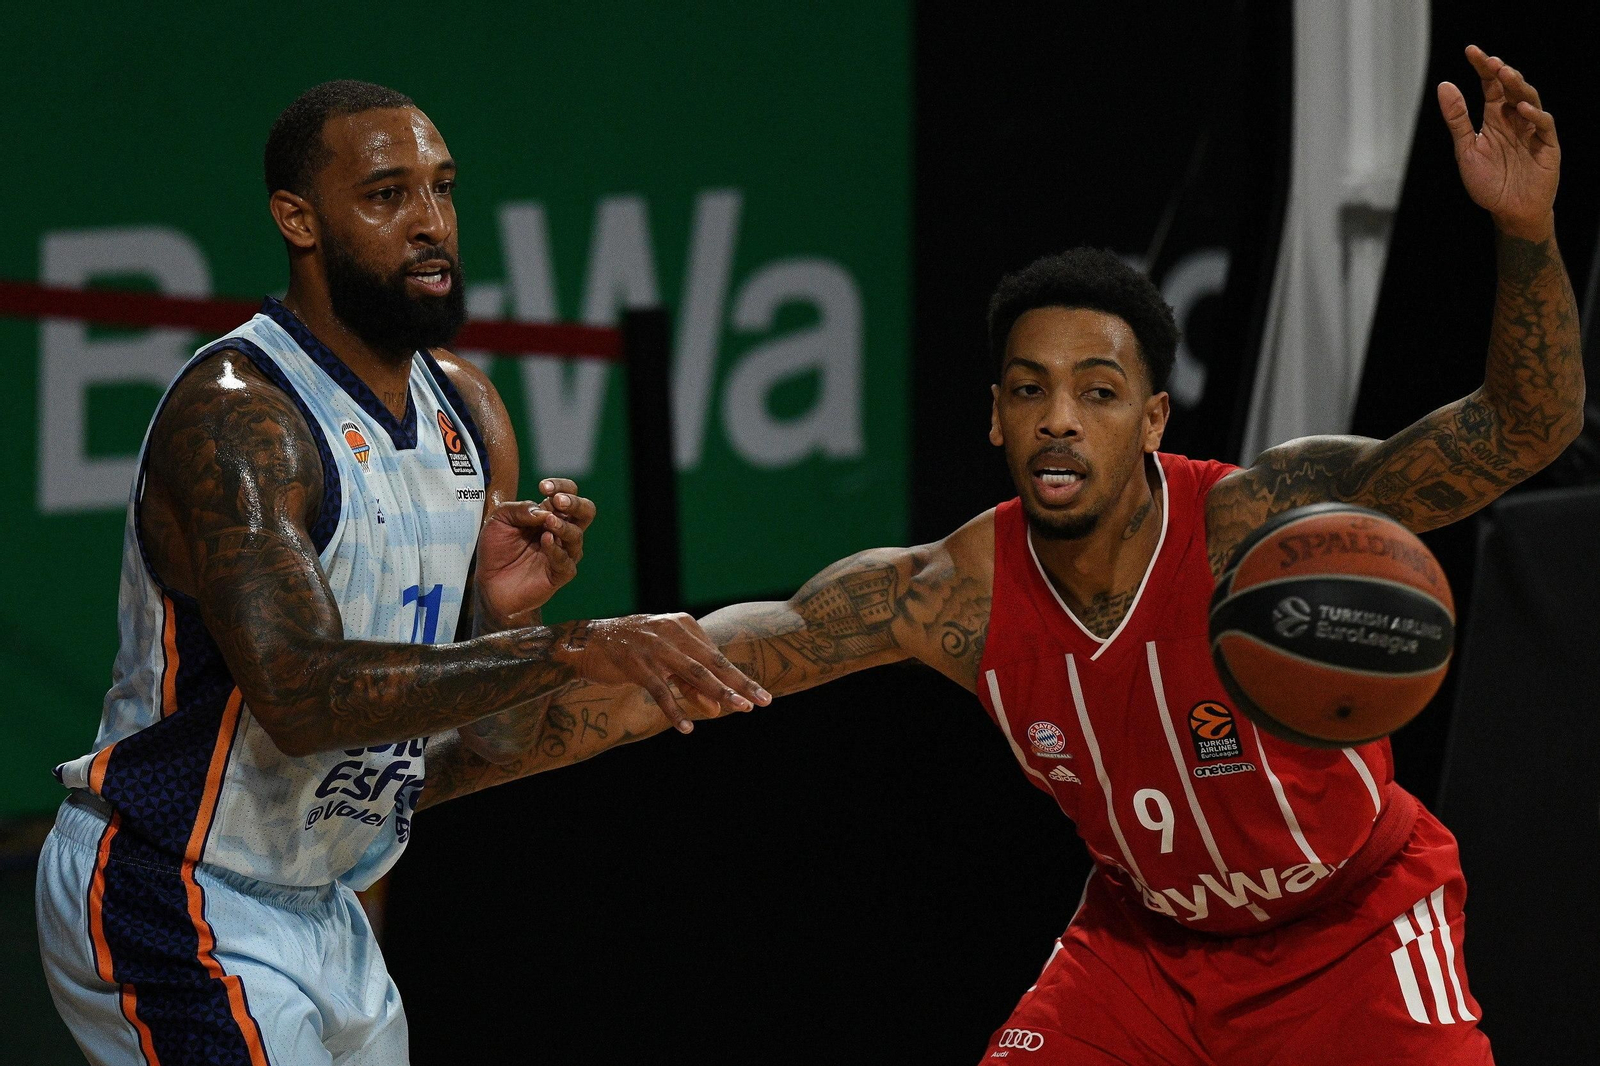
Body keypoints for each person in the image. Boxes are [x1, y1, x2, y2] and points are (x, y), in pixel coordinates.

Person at [427, 47, 1582, 1063]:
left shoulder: (1259, 523)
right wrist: (442, 729)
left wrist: (1526, 233)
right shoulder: (945, 596)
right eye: (1030, 393)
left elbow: (1523, 429)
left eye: (1097, 391)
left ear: (1155, 421)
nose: (1061, 419)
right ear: (994, 420)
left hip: (1349, 929)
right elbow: (656, 691)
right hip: (1145, 949)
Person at [33, 80, 768, 1066]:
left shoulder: (468, 410)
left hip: (326, 904)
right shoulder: (239, 415)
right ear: (298, 218)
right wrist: (569, 648)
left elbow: (492, 737)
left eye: (442, 189)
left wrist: (504, 617)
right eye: (386, 195)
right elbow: (302, 696)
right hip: (172, 886)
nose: (430, 224)